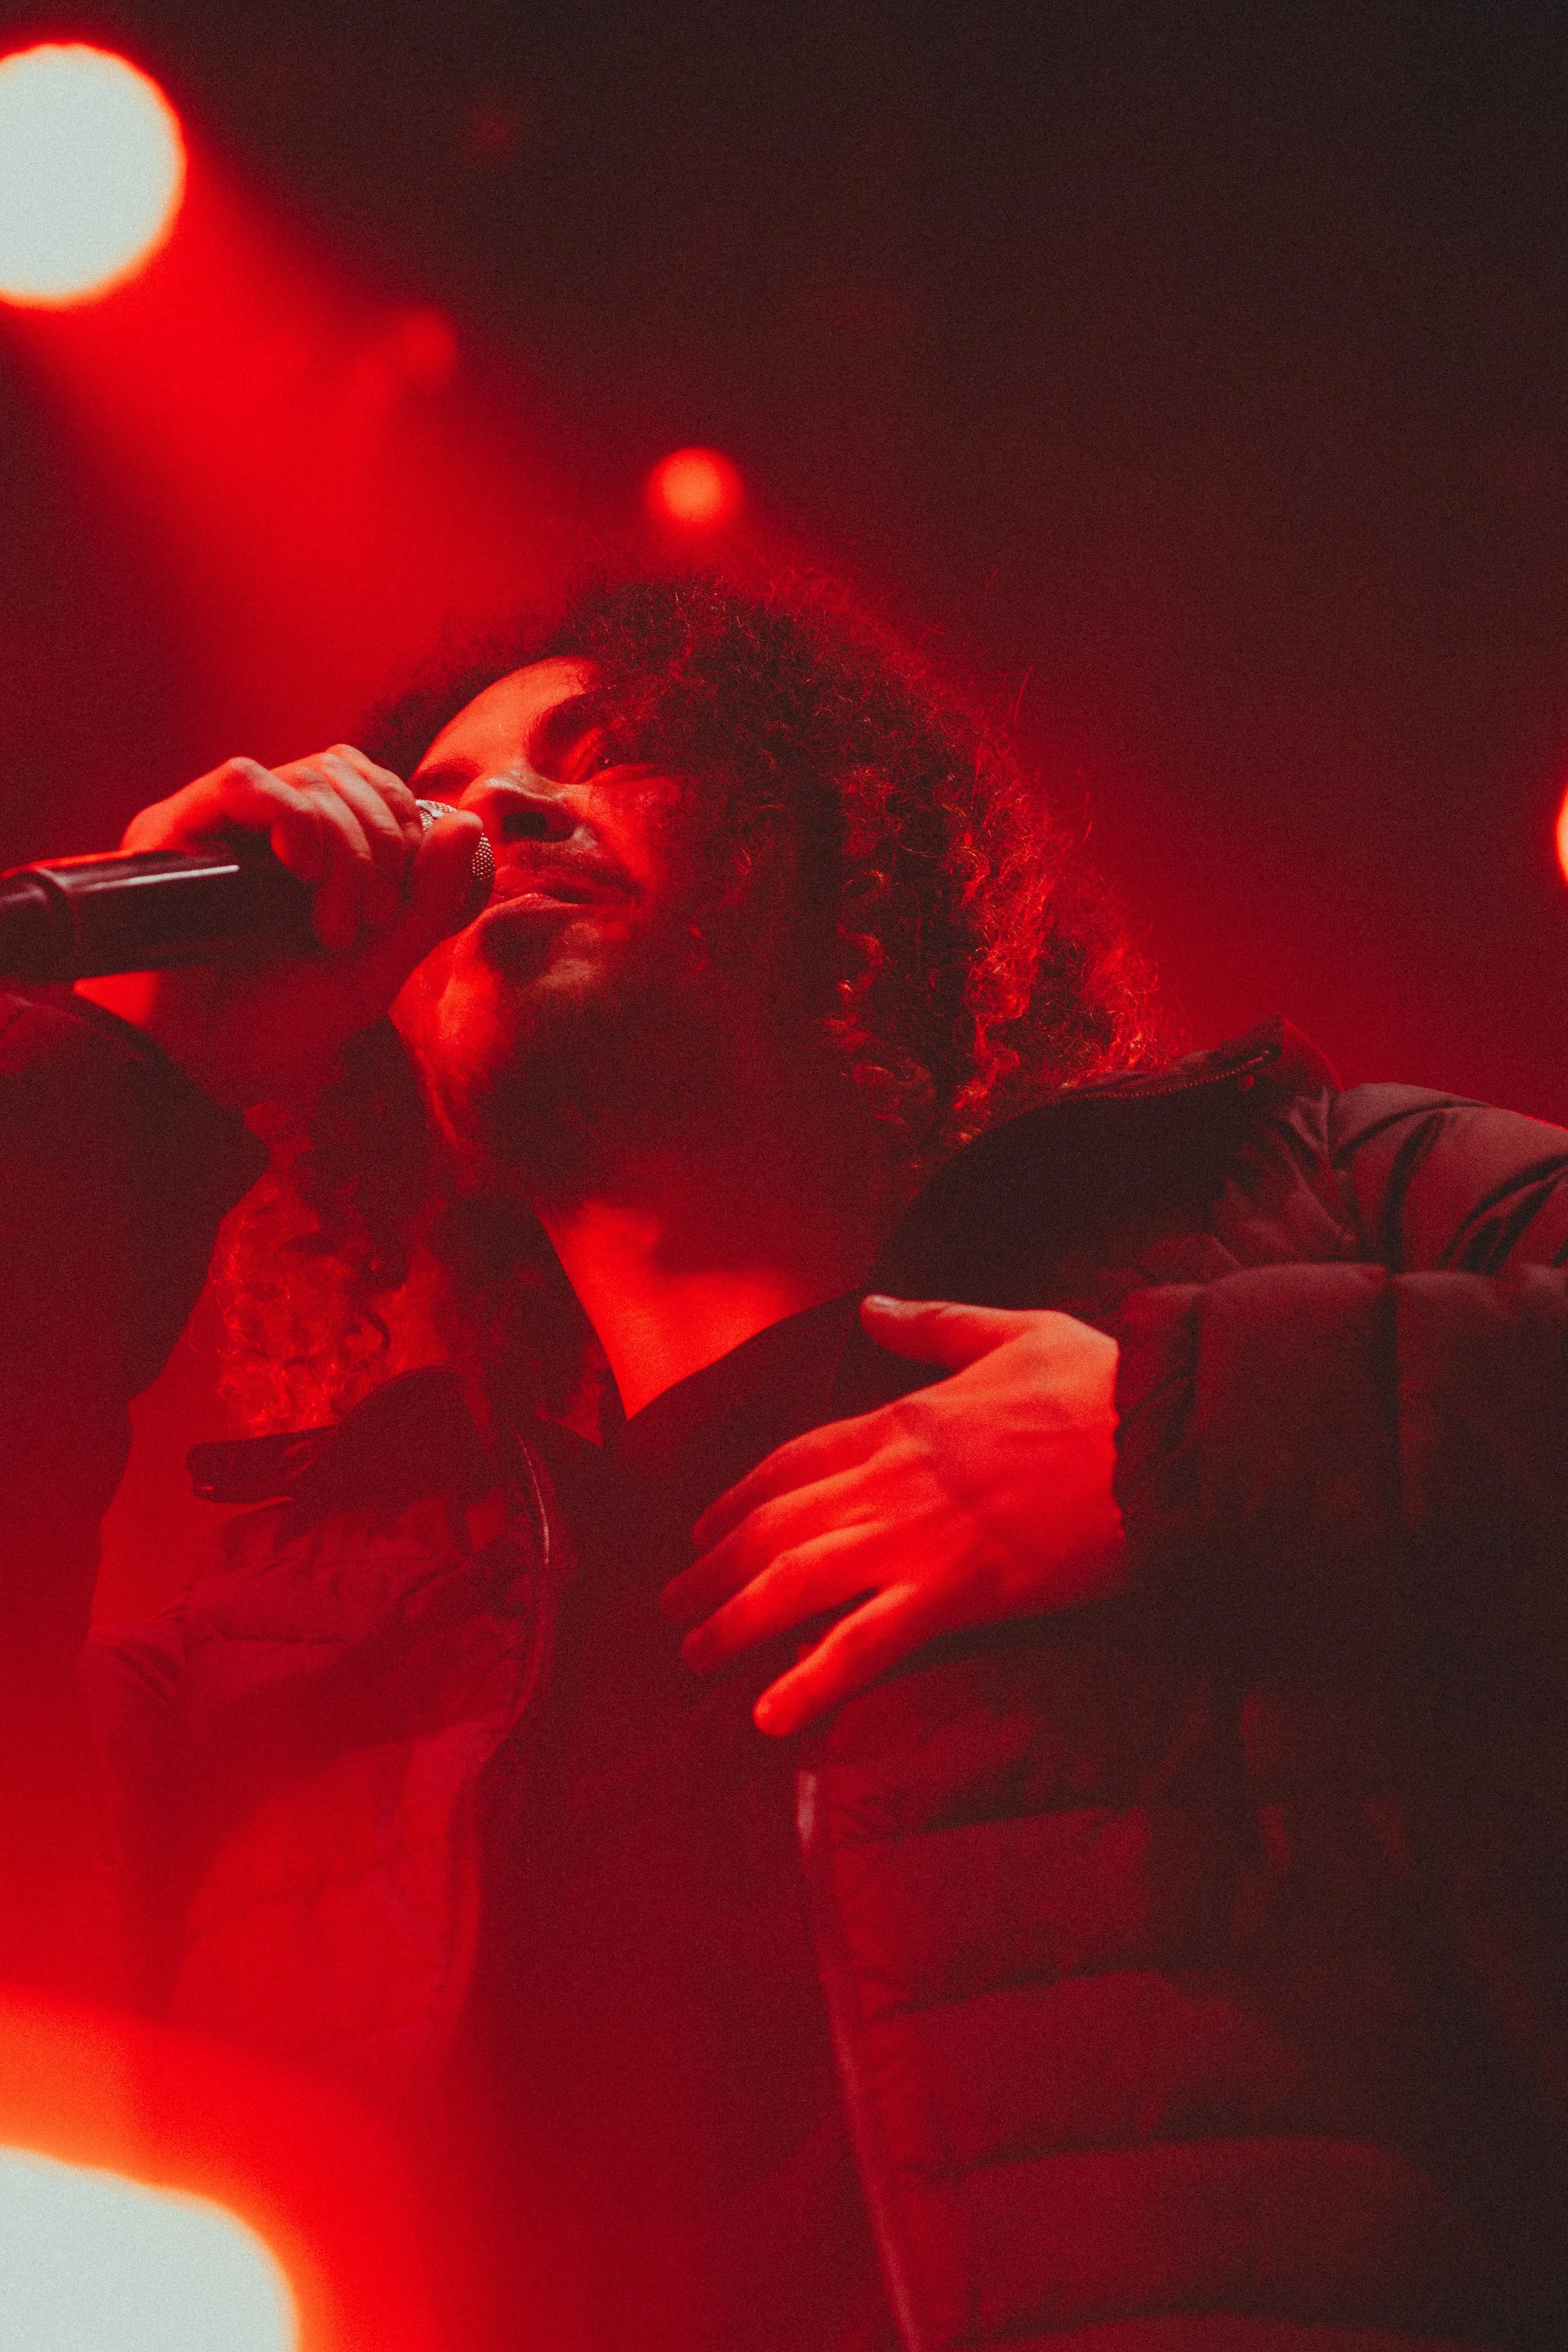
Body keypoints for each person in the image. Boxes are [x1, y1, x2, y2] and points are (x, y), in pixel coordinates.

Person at [2, 572, 1564, 2351]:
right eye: (443, 789)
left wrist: (1170, 1431)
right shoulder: (306, 1636)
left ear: (827, 848)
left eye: (610, 754)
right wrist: (129, 1085)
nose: (497, 806)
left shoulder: (1292, 1207)